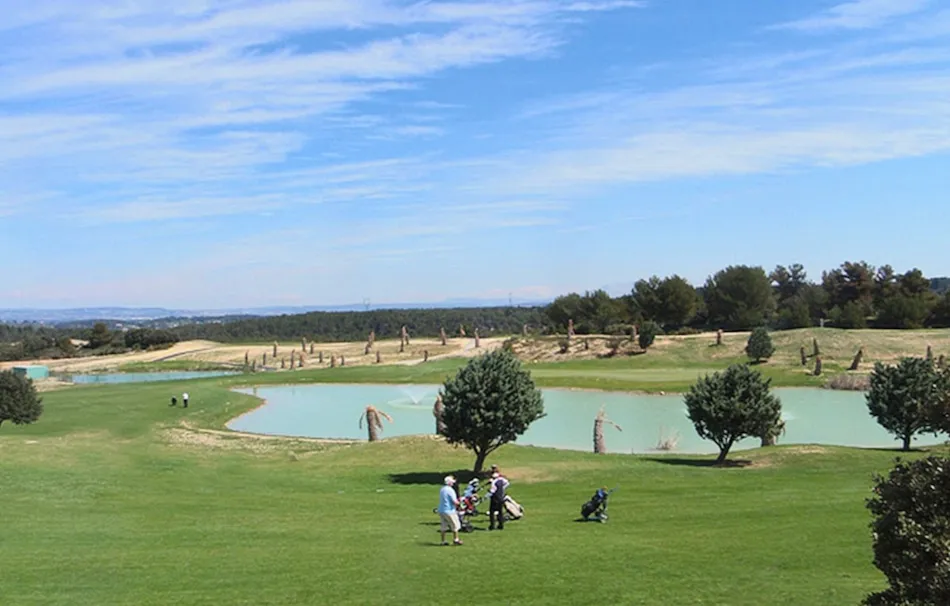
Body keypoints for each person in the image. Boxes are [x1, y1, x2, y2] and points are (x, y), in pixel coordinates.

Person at [437, 476, 463, 546]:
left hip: (441, 510)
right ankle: (456, 539)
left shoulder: (442, 489)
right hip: (449, 510)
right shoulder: (450, 490)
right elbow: (454, 501)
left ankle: (443, 541)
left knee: (443, 525)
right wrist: (460, 504)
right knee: (455, 525)